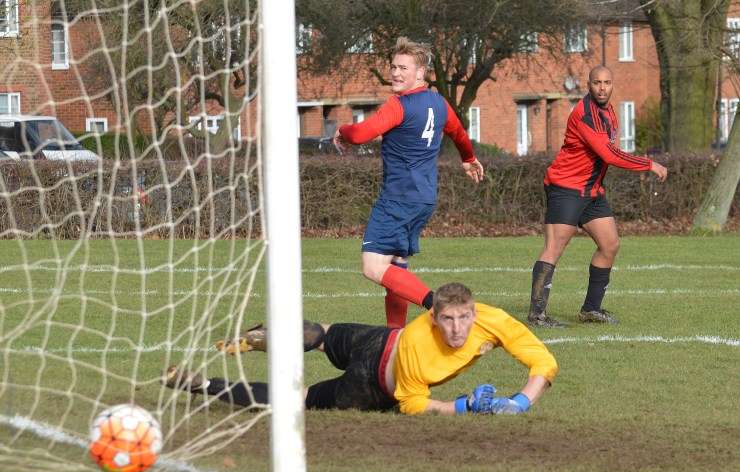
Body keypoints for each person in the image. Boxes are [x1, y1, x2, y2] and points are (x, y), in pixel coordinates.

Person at [163, 282, 558, 416]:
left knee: (323, 335)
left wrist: (521, 401)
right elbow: (412, 404)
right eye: (448, 319)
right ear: (433, 318)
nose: (457, 328)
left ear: (475, 312)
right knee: (299, 399)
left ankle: (264, 336)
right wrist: (463, 406)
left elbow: (542, 360)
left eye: (464, 318)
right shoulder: (419, 341)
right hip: (369, 384)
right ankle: (205, 384)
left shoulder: (493, 319)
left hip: (379, 338)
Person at [332, 37, 484, 329]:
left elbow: (360, 134)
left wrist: (341, 129)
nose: (396, 73)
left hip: (398, 200)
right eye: (393, 67)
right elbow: (458, 133)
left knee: (373, 266)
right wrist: (467, 157)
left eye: (403, 68)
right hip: (423, 199)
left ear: (420, 72)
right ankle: (396, 336)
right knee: (396, 266)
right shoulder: (439, 103)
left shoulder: (399, 105)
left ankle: (437, 304)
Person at [526, 65, 669, 328]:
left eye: (607, 83)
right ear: (588, 85)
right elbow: (609, 155)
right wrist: (649, 164)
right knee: (554, 248)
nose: (602, 88)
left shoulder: (609, 111)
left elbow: (608, 150)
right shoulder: (585, 114)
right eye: (597, 83)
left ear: (612, 84)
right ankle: (536, 316)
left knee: (610, 244)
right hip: (566, 187)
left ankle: (591, 309)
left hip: (591, 191)